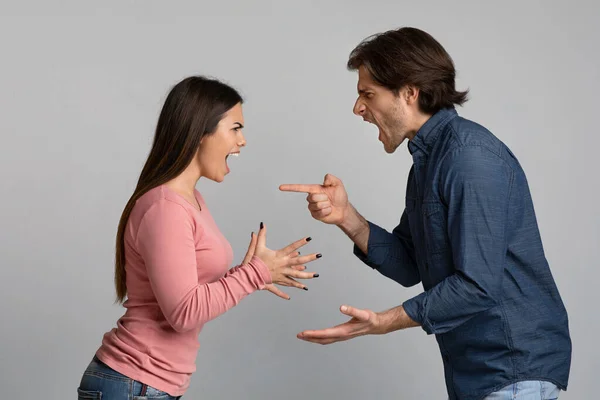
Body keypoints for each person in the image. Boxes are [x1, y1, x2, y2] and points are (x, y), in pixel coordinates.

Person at [280, 27, 571, 400]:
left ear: (409, 92)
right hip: (481, 373)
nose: (358, 108)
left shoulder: (468, 158)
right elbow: (409, 266)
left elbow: (476, 286)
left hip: (511, 370)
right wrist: (346, 217)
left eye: (367, 94)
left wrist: (383, 322)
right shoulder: (428, 161)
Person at [77, 76, 322, 399]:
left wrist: (256, 272)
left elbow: (192, 293)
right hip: (133, 384)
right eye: (235, 128)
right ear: (200, 132)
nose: (243, 140)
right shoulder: (165, 208)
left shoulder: (191, 201)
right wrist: (254, 273)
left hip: (147, 385)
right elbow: (183, 313)